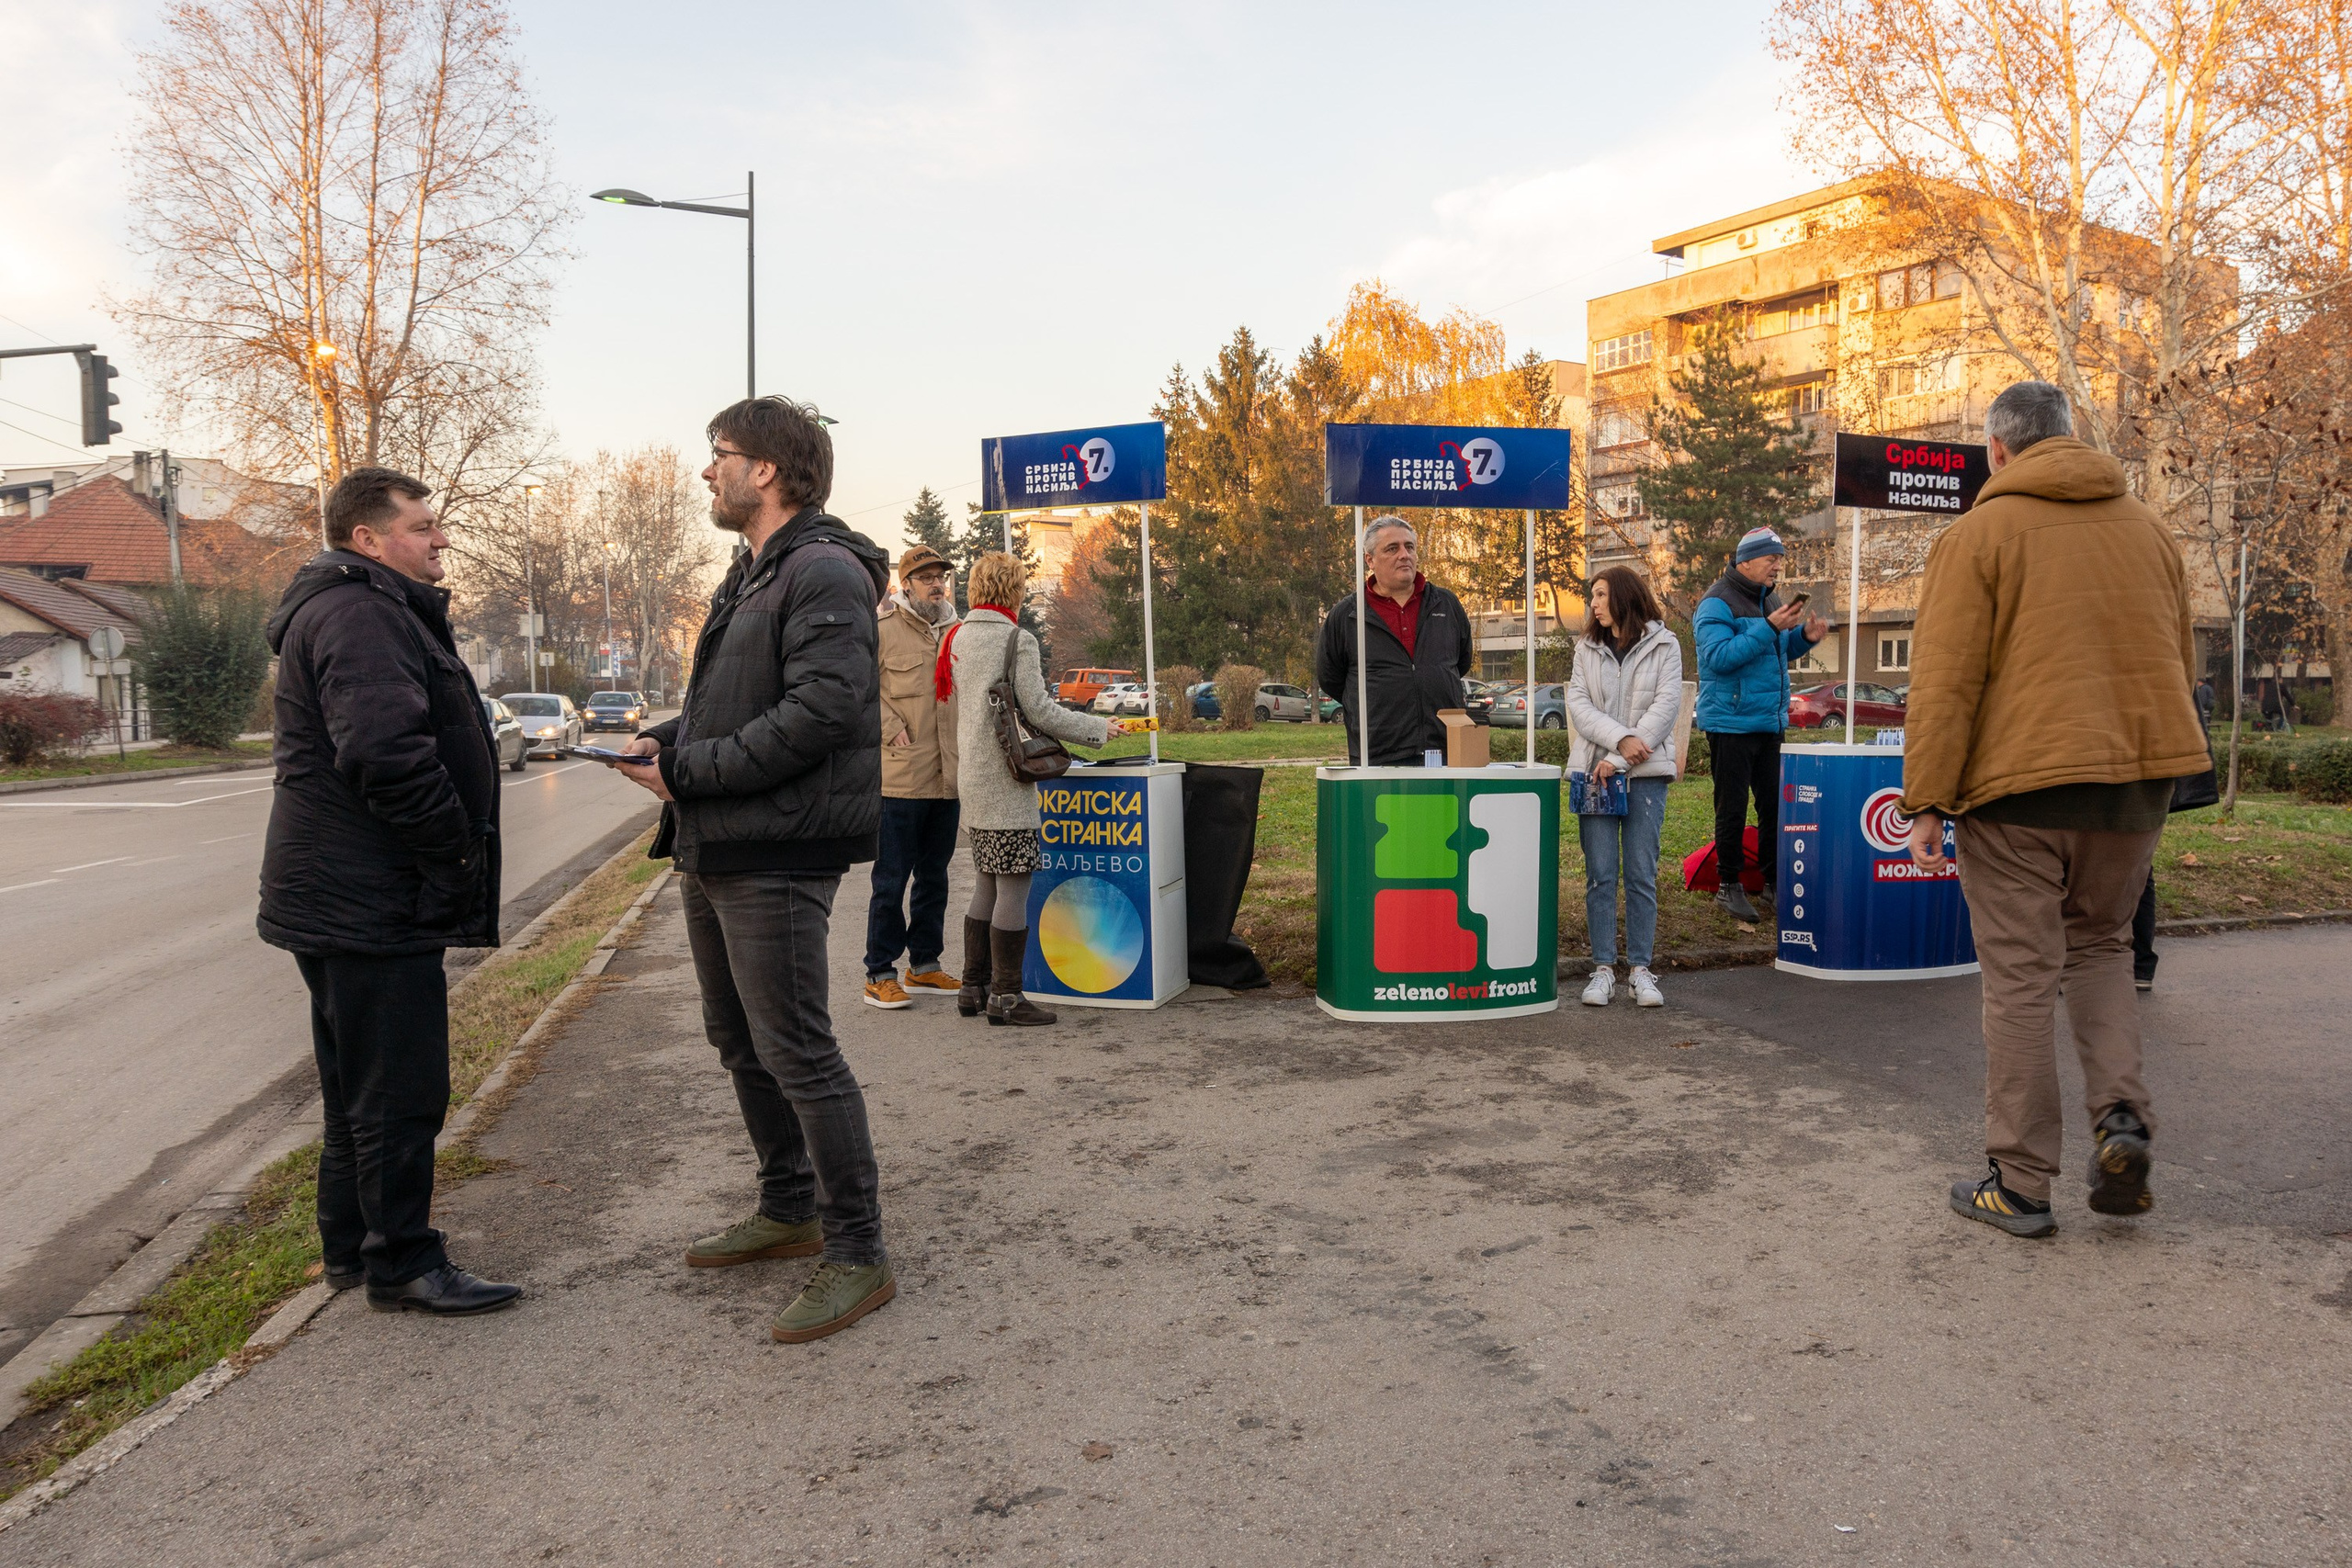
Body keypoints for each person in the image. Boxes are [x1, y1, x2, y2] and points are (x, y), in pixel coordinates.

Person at [607, 395, 899, 1343]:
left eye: (718, 455)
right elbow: (737, 701)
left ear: (765, 470)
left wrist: (685, 770)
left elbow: (822, 710)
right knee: (737, 1037)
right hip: (721, 836)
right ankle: (789, 1206)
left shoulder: (819, 569)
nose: (707, 471)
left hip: (776, 844)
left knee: (798, 1049)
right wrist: (665, 740)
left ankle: (857, 1252)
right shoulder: (753, 571)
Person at [1902, 380, 2208, 1238]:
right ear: (2071, 438)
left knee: (2022, 976)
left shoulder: (1978, 534)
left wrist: (1926, 799)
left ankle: (2021, 1181)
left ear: (1997, 450)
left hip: (2019, 789)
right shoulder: (2149, 529)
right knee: (2104, 946)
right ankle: (2121, 1121)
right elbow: (2178, 658)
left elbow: (1946, 681)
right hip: (2135, 783)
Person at [258, 467, 520, 1316]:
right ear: (368, 539)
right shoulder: (362, 611)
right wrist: (455, 852)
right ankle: (403, 1262)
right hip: (369, 896)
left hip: (343, 893)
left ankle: (351, 1250)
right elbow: (386, 754)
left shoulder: (357, 604)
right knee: (399, 1092)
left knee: (356, 1090)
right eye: (424, 525)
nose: (441, 537)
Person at [942, 550, 1142, 1025]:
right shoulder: (1017, 639)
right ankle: (1007, 998)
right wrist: (1097, 729)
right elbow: (1039, 710)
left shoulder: (956, 637)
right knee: (1014, 885)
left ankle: (973, 987)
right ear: (1012, 589)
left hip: (973, 779)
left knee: (986, 882)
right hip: (1007, 781)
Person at [1692, 525, 1828, 920]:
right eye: (1772, 560)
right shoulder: (1715, 603)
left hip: (1769, 721)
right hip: (1731, 723)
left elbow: (1777, 652)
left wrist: (1804, 637)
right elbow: (1719, 658)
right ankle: (1728, 885)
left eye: (1779, 561)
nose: (1777, 569)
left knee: (1774, 807)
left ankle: (1772, 883)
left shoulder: (1770, 600)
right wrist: (1769, 627)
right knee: (1731, 807)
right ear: (1746, 560)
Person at [1565, 567, 1683, 1009]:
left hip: (1644, 773)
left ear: (1623, 597)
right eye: (1592, 596)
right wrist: (1618, 743)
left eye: (1599, 595)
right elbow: (1578, 705)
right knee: (1600, 874)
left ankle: (1639, 970)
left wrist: (1621, 757)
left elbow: (1666, 706)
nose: (1592, 604)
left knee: (1640, 873)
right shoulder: (1586, 649)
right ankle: (1601, 970)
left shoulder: (1664, 645)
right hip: (1596, 774)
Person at [863, 545, 963, 1010]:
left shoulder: (958, 633)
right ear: (906, 585)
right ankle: (878, 973)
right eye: (926, 578)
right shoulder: (882, 632)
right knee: (891, 881)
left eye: (940, 576)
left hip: (947, 777)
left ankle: (924, 966)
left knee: (934, 878)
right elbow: (857, 691)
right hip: (900, 779)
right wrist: (889, 726)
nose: (936, 583)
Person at [1315, 515, 1475, 766]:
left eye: (1409, 547)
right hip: (1377, 755)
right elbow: (1330, 678)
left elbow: (1461, 661)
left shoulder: (1446, 604)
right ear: (1370, 560)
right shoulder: (1347, 614)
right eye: (1392, 548)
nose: (1404, 554)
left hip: (1444, 751)